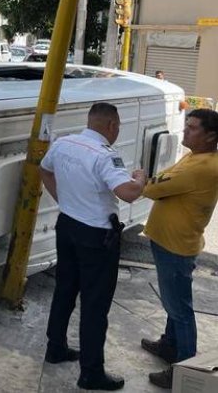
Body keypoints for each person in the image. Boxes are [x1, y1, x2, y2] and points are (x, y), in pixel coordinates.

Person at [40, 103, 146, 391]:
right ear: (111, 125)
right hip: (97, 238)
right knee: (95, 305)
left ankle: (56, 347)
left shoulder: (64, 143)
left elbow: (44, 170)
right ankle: (91, 373)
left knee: (64, 289)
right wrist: (140, 178)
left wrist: (64, 201)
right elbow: (127, 194)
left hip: (68, 227)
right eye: (118, 127)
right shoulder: (105, 156)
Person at [140, 108, 218, 389]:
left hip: (175, 245)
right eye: (187, 125)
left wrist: (142, 180)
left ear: (211, 136)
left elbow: (152, 187)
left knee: (180, 309)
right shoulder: (196, 156)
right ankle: (170, 345)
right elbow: (165, 177)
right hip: (172, 241)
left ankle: (185, 368)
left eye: (193, 127)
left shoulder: (201, 166)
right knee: (174, 304)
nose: (186, 131)